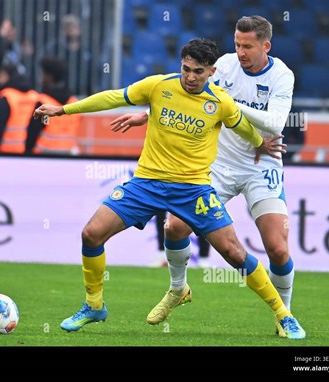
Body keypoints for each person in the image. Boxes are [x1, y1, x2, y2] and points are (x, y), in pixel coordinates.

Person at [33, 38, 305, 339]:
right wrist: (64, 110)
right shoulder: (158, 86)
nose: (190, 77)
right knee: (91, 234)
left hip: (193, 190)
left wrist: (260, 143)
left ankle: (284, 314)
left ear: (212, 71)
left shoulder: (220, 103)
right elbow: (113, 97)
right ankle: (94, 306)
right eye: (186, 69)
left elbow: (241, 125)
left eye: (198, 72)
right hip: (146, 184)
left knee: (234, 253)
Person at [110, 16, 300, 338]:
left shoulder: (282, 75)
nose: (240, 52)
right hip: (219, 164)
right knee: (174, 225)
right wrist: (148, 115)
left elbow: (275, 123)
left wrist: (226, 104)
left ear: (265, 46)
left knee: (278, 250)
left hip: (261, 162)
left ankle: (283, 315)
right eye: (237, 44)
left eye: (248, 46)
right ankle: (178, 288)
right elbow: (189, 98)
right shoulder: (222, 65)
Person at [32, 56, 81, 155]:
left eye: (43, 73)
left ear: (49, 76)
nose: (41, 77)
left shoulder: (42, 102)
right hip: (68, 157)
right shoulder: (74, 102)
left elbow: (32, 133)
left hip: (43, 157)